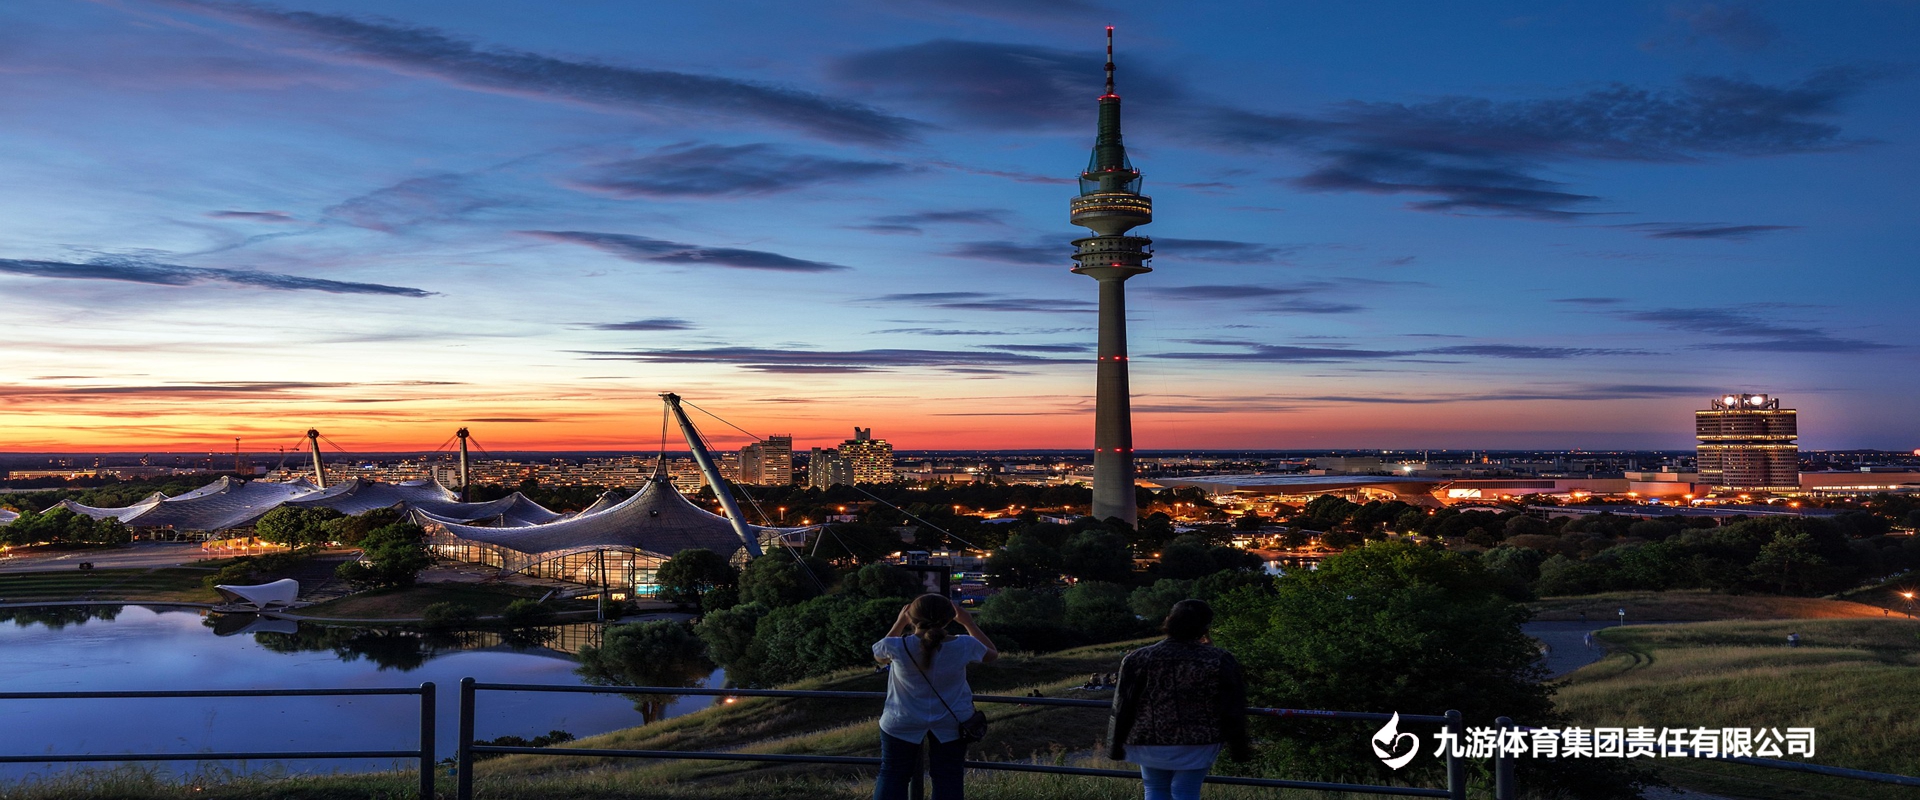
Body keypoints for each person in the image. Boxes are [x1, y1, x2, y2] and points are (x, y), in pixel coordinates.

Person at [1108, 599, 1252, 800]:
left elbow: (1123, 705)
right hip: (1198, 740)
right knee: (1186, 791)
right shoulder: (1219, 659)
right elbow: (1232, 706)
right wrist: (1239, 747)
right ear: (1205, 627)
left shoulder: (1138, 658)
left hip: (1149, 738)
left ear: (1169, 621)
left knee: (1154, 788)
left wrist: (1115, 745)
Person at [872, 593, 998, 800]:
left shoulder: (896, 646)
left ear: (911, 618)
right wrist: (969, 622)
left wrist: (899, 622)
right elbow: (992, 654)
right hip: (953, 721)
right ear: (950, 618)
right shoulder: (965, 644)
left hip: (902, 718)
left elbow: (879, 655)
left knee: (893, 774)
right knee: (948, 776)